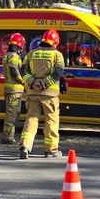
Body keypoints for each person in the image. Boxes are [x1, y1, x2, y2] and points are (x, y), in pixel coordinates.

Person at [19, 28, 66, 159]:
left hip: (32, 93)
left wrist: (33, 83)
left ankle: (25, 146)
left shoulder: (31, 54)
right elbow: (58, 73)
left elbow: (23, 71)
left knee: (31, 119)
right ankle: (51, 150)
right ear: (55, 42)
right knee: (51, 120)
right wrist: (44, 83)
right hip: (49, 95)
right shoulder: (57, 55)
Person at [1, 33, 26, 145]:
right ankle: (8, 138)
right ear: (20, 45)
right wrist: (23, 81)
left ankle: (8, 136)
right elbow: (14, 71)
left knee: (12, 114)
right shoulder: (14, 56)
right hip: (14, 90)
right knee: (12, 115)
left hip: (10, 89)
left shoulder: (7, 55)